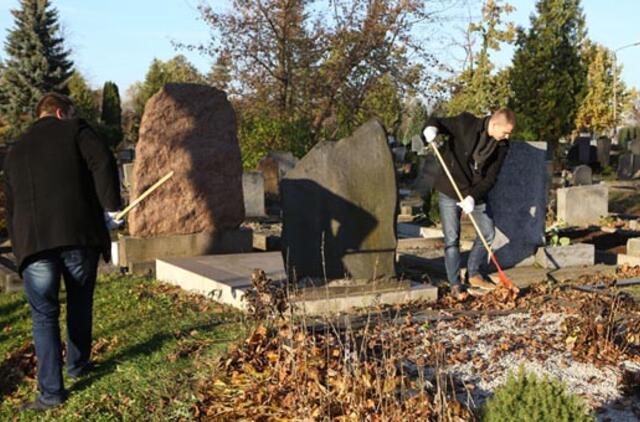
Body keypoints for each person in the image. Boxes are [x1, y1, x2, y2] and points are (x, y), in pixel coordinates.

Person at [3, 93, 122, 411]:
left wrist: (20, 253)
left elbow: (11, 208)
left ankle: (51, 394)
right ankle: (79, 365)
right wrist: (111, 207)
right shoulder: (75, 130)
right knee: (80, 302)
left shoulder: (15, 151)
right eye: (71, 113)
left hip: (34, 245)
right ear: (60, 112)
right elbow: (103, 161)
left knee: (43, 317)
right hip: (78, 235)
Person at [422, 108, 515, 297]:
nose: (506, 136)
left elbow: (491, 177)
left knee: (488, 232)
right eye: (505, 131)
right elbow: (437, 121)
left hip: (475, 193)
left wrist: (473, 196)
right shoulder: (466, 123)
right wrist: (429, 129)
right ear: (494, 124)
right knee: (452, 238)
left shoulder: (502, 146)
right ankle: (455, 284)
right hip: (450, 187)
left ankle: (473, 273)